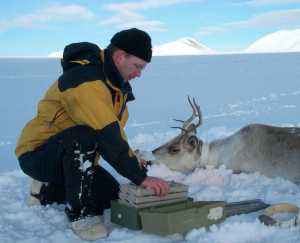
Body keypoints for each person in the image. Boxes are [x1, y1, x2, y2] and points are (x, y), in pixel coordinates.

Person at [15, 28, 170, 241]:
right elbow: (105, 133)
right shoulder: (84, 80)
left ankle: (46, 190)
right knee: (84, 136)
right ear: (119, 56)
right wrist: (140, 177)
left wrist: (134, 161)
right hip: (37, 154)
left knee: (110, 194)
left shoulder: (115, 87)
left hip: (68, 157)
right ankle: (81, 214)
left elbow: (115, 132)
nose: (139, 74)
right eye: (137, 66)